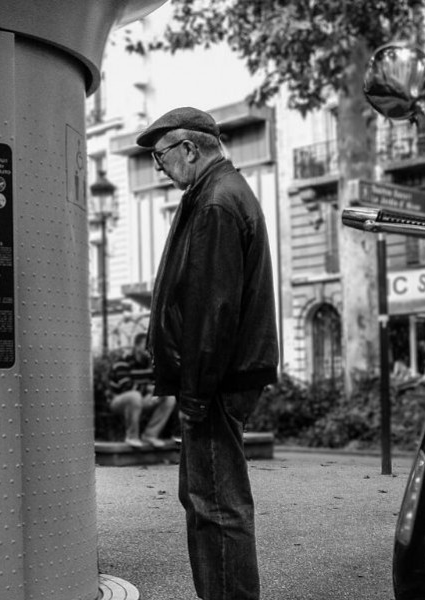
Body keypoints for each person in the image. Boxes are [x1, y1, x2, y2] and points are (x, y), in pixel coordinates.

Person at [137, 106, 279, 600]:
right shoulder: (216, 193)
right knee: (206, 499)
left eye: (161, 157)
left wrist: (194, 393)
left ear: (190, 150)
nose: (160, 169)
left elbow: (212, 310)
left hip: (216, 382)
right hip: (220, 378)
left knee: (217, 506)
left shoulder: (216, 201)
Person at [108, 333, 177, 448]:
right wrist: (148, 390)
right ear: (136, 346)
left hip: (142, 399)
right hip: (118, 401)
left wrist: (155, 394)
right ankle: (132, 436)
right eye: (146, 346)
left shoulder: (149, 364)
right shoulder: (122, 361)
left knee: (169, 398)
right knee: (134, 396)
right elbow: (126, 386)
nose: (149, 349)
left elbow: (155, 383)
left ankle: (150, 435)